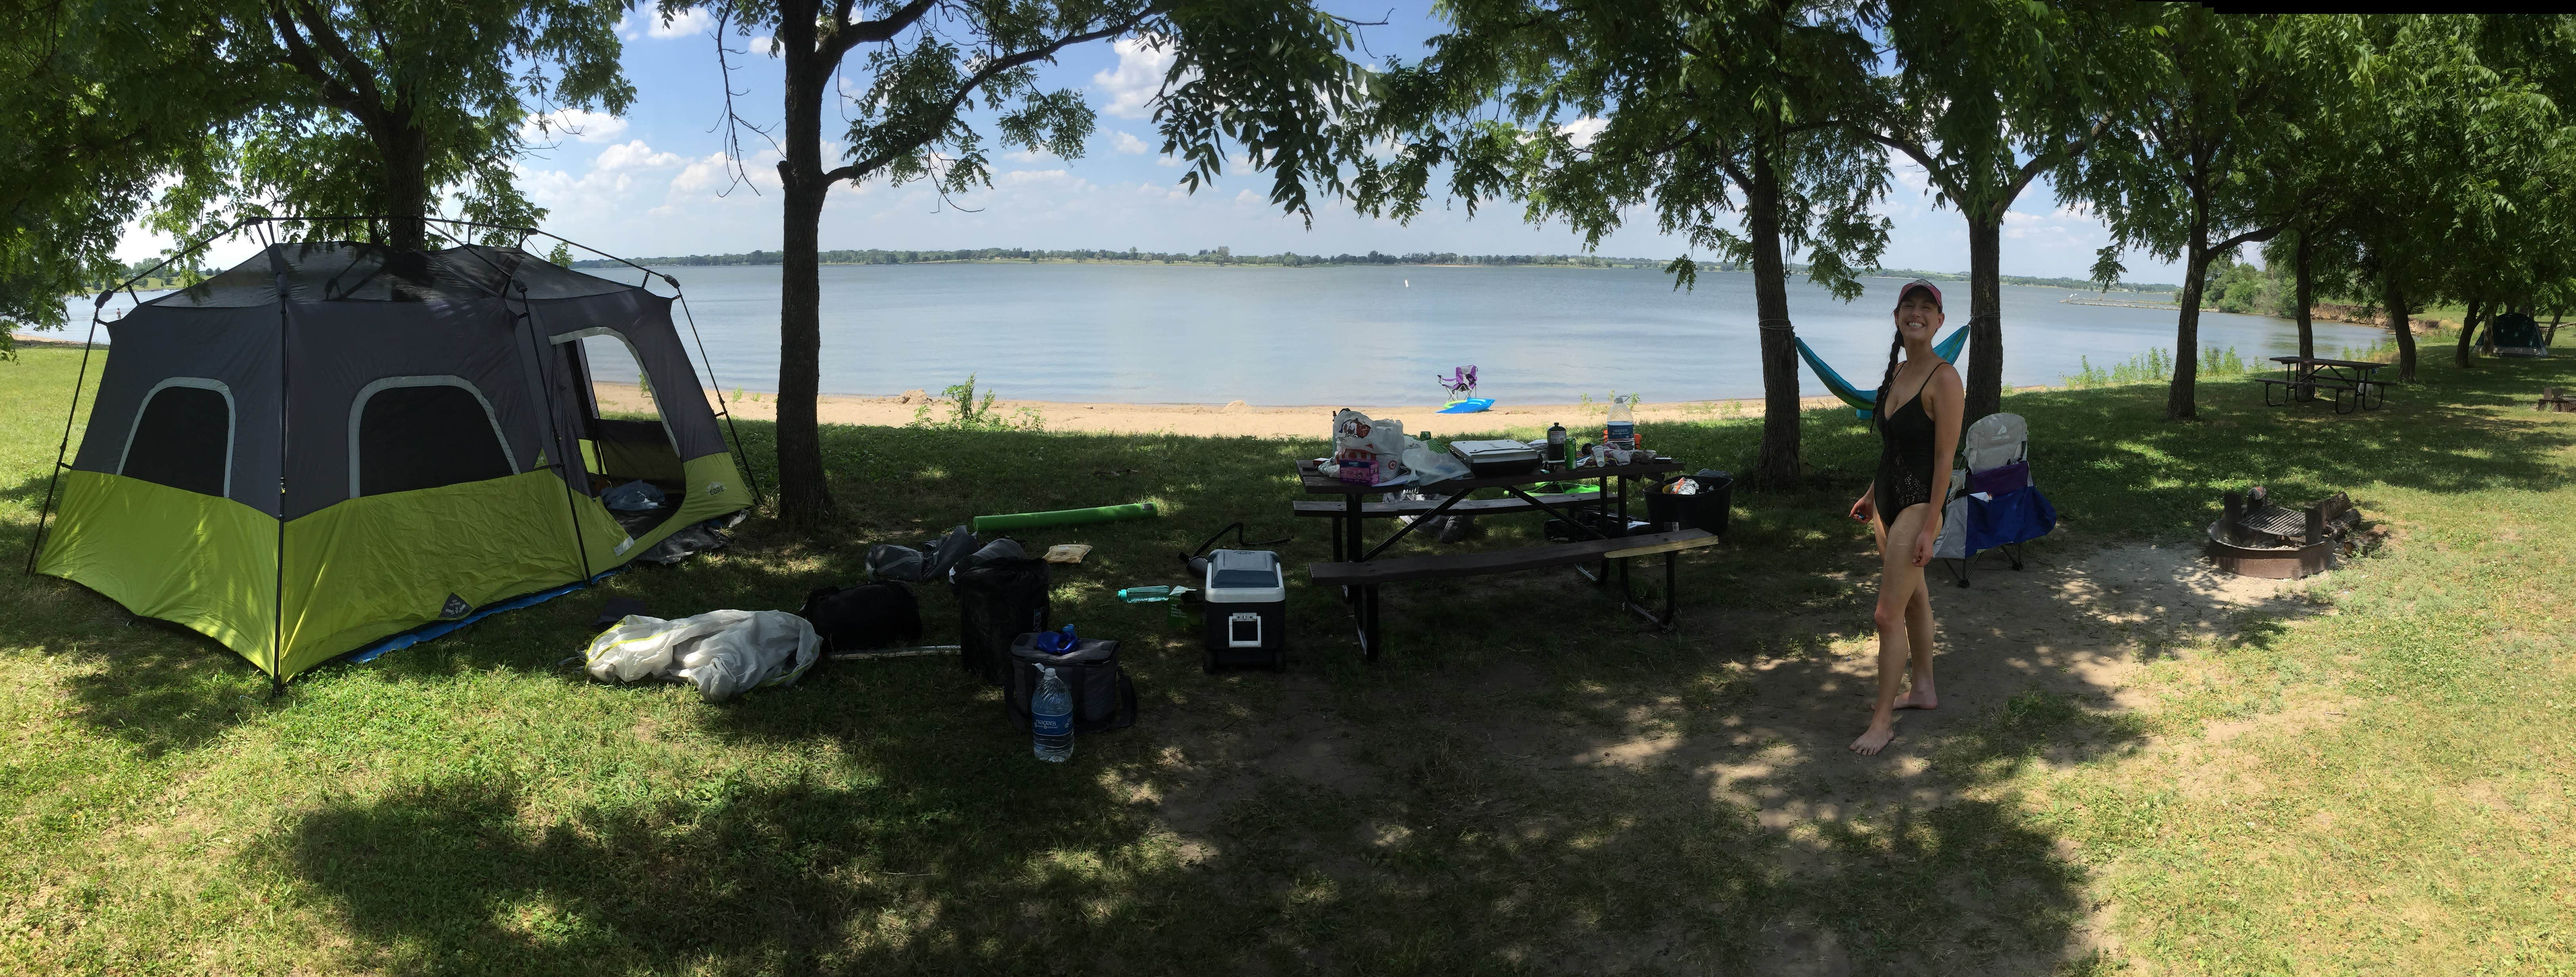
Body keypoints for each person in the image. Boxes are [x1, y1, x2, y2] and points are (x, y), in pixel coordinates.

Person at [1845, 279, 1964, 756]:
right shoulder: (1896, 372)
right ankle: (1923, 691)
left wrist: (1931, 524)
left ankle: (1880, 724)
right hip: (1888, 504)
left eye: (1926, 308)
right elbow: (1895, 447)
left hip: (1918, 505)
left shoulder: (1945, 379)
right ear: (1897, 317)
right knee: (1914, 603)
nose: (1916, 313)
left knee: (1885, 615)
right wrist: (1872, 495)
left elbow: (1942, 460)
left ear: (1939, 321)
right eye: (1907, 306)